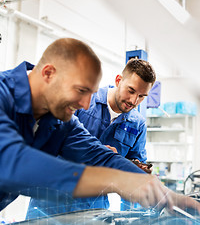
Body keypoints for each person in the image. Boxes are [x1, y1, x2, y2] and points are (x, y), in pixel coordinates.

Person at [0, 38, 200, 220]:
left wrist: (163, 193)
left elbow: (101, 156)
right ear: (48, 73)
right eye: (80, 91)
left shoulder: (60, 121)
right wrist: (112, 180)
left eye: (90, 93)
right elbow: (9, 161)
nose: (85, 105)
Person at [27, 59, 155, 216]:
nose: (134, 101)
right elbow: (50, 145)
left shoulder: (138, 124)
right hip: (51, 200)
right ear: (118, 80)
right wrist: (100, 156)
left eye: (142, 96)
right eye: (131, 91)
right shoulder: (84, 100)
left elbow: (134, 171)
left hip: (93, 206)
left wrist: (133, 167)